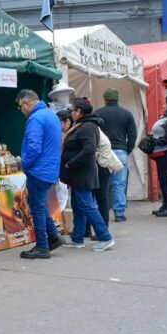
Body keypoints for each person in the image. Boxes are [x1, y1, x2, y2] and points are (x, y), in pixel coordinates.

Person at [60, 97, 114, 251]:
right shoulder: (83, 125)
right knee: (78, 205)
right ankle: (78, 238)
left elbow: (89, 149)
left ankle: (105, 237)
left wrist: (71, 163)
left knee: (87, 205)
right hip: (78, 173)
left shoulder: (88, 126)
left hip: (82, 172)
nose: (71, 113)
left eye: (72, 110)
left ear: (80, 112)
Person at [16, 89, 65, 259]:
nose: (21, 110)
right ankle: (53, 237)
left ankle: (42, 246)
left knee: (37, 207)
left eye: (20, 106)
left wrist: (25, 164)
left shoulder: (35, 119)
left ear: (27, 103)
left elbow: (34, 147)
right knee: (39, 204)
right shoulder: (51, 115)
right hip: (50, 169)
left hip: (38, 170)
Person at [96, 87, 137, 222]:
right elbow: (132, 135)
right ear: (117, 98)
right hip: (120, 151)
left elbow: (94, 133)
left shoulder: (98, 113)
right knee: (119, 183)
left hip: (103, 151)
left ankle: (101, 211)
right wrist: (127, 149)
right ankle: (119, 213)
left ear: (105, 99)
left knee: (102, 183)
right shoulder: (127, 114)